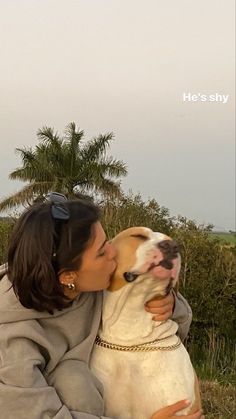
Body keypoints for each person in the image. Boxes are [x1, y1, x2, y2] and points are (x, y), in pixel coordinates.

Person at [0, 194, 204, 419]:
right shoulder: (10, 342)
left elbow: (144, 307)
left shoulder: (86, 284)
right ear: (68, 276)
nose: (113, 252)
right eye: (101, 252)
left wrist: (172, 305)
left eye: (106, 241)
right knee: (74, 384)